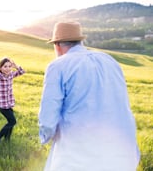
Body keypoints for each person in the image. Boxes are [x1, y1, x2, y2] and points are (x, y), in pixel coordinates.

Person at [38, 22, 140, 171]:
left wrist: (45, 137)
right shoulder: (110, 61)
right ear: (81, 41)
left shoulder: (58, 66)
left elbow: (48, 119)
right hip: (123, 153)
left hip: (78, 158)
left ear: (57, 46)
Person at [0, 57, 25, 147]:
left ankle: (7, 139)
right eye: (5, 66)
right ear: (0, 68)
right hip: (1, 105)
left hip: (9, 103)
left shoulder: (11, 75)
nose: (7, 69)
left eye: (9, 66)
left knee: (10, 121)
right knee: (12, 121)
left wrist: (16, 66)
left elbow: (22, 72)